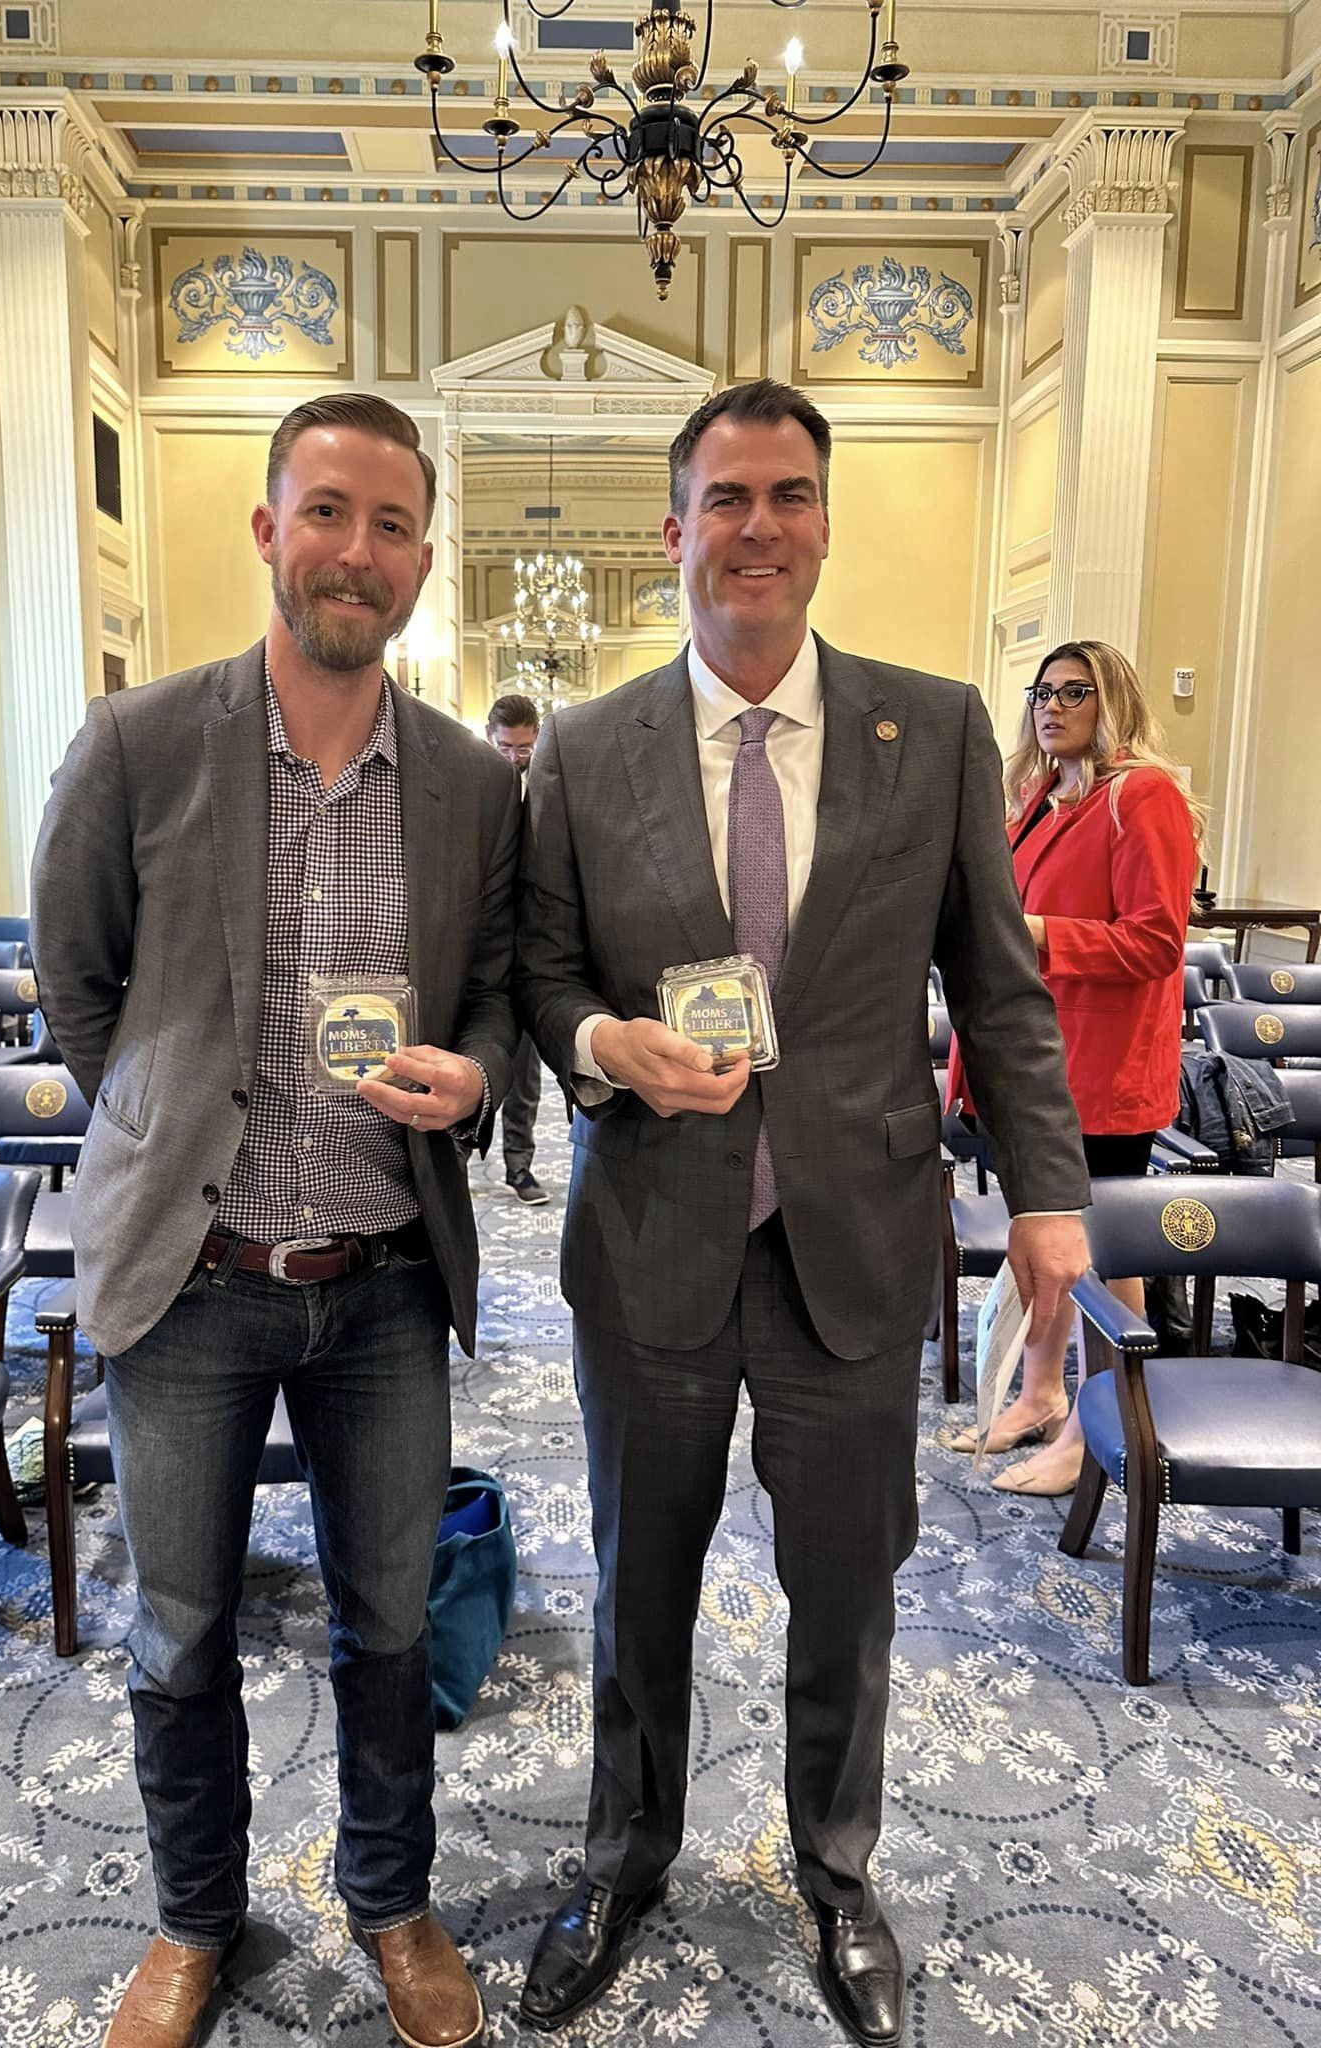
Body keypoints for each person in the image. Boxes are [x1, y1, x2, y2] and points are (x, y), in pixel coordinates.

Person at [513, 377, 1090, 2048]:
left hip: (856, 1239)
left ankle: (838, 1874)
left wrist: (1047, 1194)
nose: (756, 526)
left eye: (787, 494)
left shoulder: (934, 727)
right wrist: (599, 1044)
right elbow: (541, 968)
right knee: (638, 1582)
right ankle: (623, 1855)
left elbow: (1001, 986)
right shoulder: (590, 748)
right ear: (675, 529)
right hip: (651, 1241)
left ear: (824, 522)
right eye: (726, 497)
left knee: (849, 1587)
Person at [32, 392, 519, 2048]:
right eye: (326, 513)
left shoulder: (468, 784)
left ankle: (391, 1899)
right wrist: (165, 1123)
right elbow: (78, 986)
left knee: (390, 1625)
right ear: (267, 528)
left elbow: (499, 994)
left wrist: (477, 1073)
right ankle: (194, 1918)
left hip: (382, 1283)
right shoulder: (140, 743)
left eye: (390, 526)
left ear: (423, 561)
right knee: (179, 1633)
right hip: (193, 1279)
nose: (355, 553)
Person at [945, 639, 1200, 1495]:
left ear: (1111, 698)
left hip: (1102, 1069)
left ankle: (1101, 1426)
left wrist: (1040, 933)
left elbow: (1156, 943)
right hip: (1038, 1063)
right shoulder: (1042, 799)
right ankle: (1041, 1394)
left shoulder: (1143, 795)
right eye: (1041, 692)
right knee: (1045, 1244)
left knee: (1098, 1254)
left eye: (1073, 691)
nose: (1051, 706)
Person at [486, 691, 548, 1204]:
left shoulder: (550, 787)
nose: (514, 757)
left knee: (524, 1074)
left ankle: (519, 1166)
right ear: (490, 738)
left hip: (528, 954)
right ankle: (455, 1160)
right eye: (505, 747)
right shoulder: (470, 787)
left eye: (523, 748)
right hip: (479, 956)